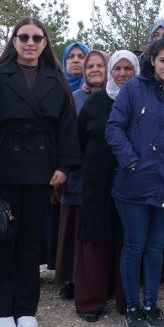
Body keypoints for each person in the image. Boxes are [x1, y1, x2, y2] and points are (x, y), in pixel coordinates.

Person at [0, 18, 80, 327]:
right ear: (14, 40)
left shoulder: (56, 80)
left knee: (31, 239)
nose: (30, 43)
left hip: (40, 169)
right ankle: (1, 308)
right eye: (24, 37)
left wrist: (64, 166)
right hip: (4, 167)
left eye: (37, 38)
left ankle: (26, 308)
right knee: (3, 237)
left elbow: (67, 128)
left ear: (45, 43)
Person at [105, 36, 164, 327]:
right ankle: (132, 306)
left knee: (156, 247)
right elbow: (114, 127)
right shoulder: (133, 89)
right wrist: (131, 161)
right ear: (152, 60)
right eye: (163, 60)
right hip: (134, 184)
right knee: (134, 245)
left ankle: (152, 304)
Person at [74, 50, 137, 322]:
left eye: (128, 69)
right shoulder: (95, 102)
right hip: (97, 182)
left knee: (128, 240)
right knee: (95, 239)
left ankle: (126, 300)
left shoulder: (142, 101)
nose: (122, 74)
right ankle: (91, 301)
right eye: (117, 69)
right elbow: (78, 140)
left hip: (132, 182)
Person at [53, 50, 107, 302]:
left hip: (105, 176)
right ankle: (73, 279)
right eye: (90, 66)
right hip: (77, 174)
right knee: (74, 227)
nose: (95, 69)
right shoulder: (73, 98)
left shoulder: (118, 97)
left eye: (100, 65)